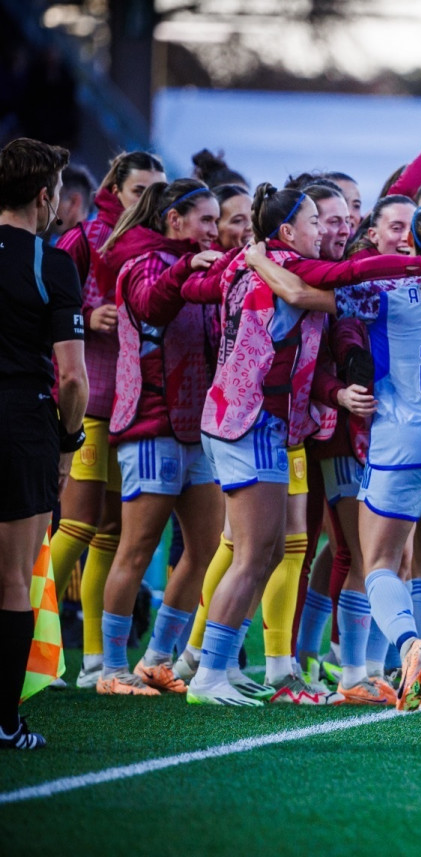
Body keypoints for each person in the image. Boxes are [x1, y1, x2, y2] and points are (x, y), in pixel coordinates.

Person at [179, 184, 421, 706]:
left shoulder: (272, 262)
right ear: (288, 232)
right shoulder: (292, 266)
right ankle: (204, 668)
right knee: (257, 553)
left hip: (269, 422)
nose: (330, 230)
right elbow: (328, 282)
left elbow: (200, 291)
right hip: (251, 419)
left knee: (271, 551)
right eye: (319, 220)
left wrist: (210, 266)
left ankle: (222, 664)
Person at [255, 200, 421, 711]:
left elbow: (300, 293)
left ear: (410, 245)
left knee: (376, 562)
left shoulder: (383, 293)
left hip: (402, 443)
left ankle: (407, 647)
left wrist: (257, 257)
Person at [94, 179, 225, 696]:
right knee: (137, 548)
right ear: (175, 219)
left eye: (219, 220)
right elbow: (151, 307)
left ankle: (155, 659)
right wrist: (184, 269)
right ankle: (109, 670)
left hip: (199, 429)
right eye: (206, 220)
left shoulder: (205, 264)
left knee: (206, 547)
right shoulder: (143, 264)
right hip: (151, 423)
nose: (213, 230)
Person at [49, 151, 166, 688]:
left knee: (112, 535)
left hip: (132, 408)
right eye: (141, 190)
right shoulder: (86, 239)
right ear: (115, 188)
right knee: (73, 528)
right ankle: (27, 648)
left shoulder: (160, 246)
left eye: (158, 192)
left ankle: (95, 659)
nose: (150, 201)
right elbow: (45, 304)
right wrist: (85, 319)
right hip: (90, 403)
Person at [0, 138, 87, 750]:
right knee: (11, 581)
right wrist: (70, 442)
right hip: (21, 425)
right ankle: (6, 722)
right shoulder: (51, 263)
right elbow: (75, 378)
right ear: (43, 195)